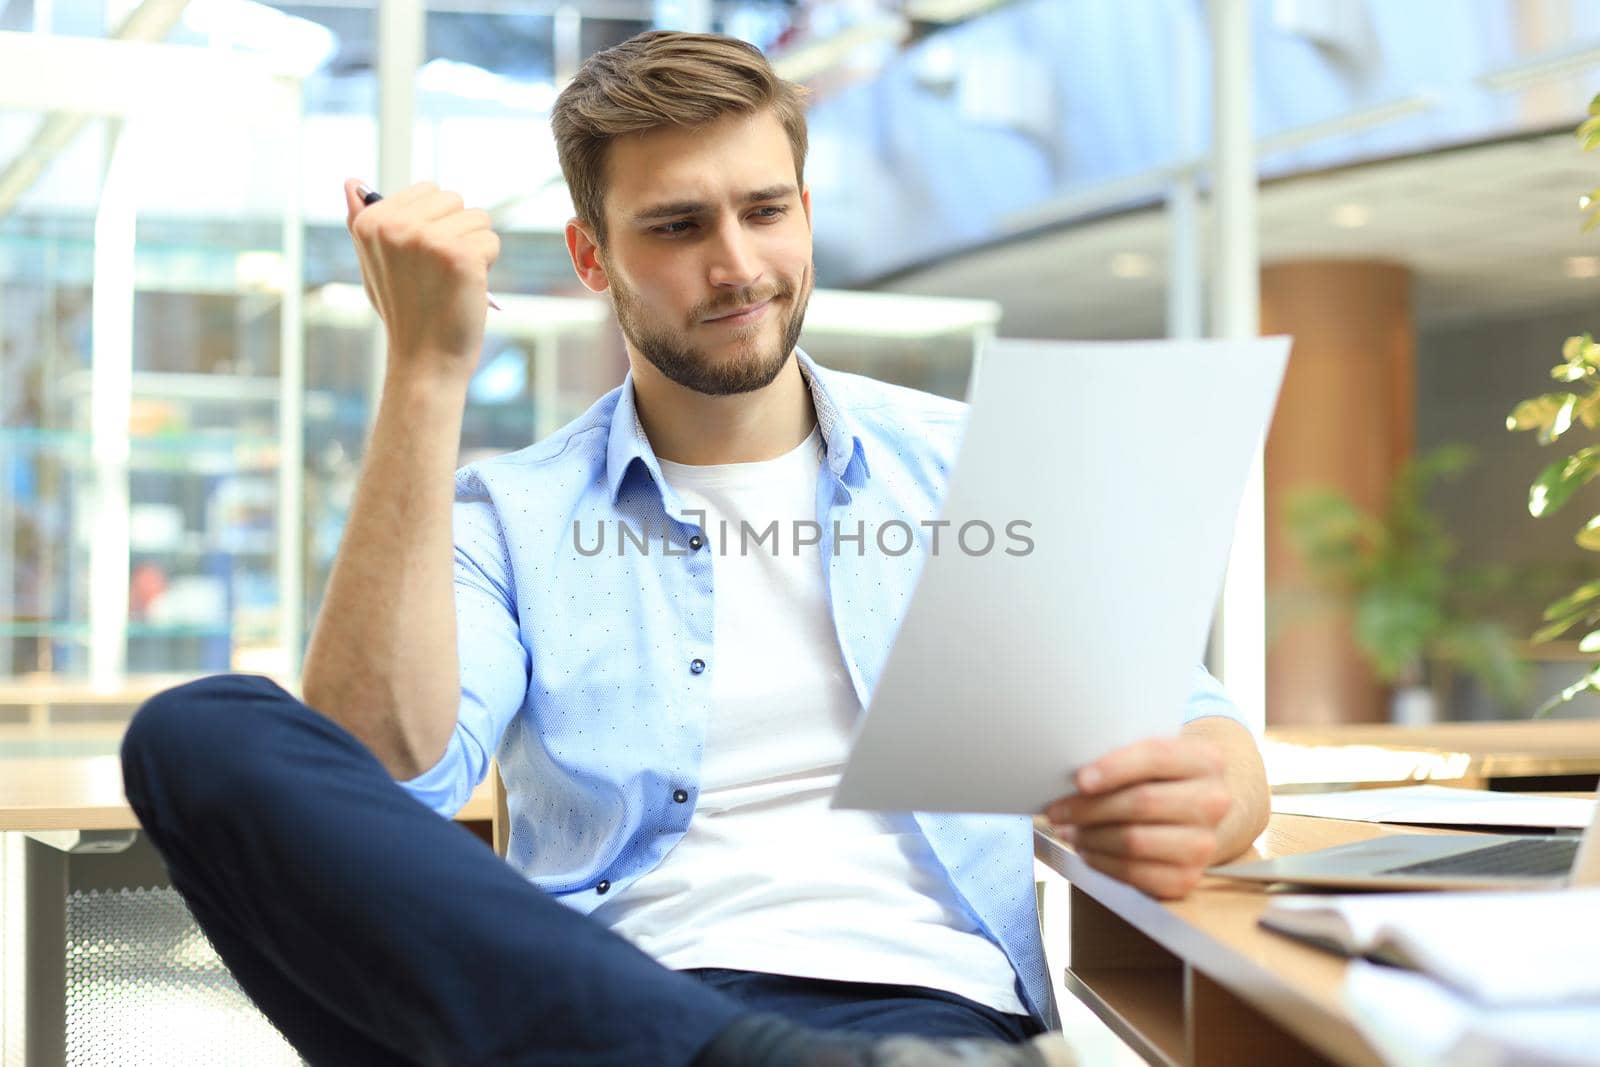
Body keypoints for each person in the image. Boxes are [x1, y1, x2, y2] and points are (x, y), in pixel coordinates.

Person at [121, 30, 1269, 1067]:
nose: (737, 266)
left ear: (806, 213)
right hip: (589, 1001)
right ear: (590, 257)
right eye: (677, 226)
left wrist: (1196, 796)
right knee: (195, 731)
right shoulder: (510, 513)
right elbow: (387, 775)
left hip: (914, 1014)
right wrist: (425, 368)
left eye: (765, 210)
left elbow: (1204, 732)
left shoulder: (971, 464)